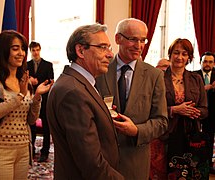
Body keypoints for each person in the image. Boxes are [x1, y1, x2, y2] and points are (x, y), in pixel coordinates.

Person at [46, 24, 124, 180]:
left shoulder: (80, 83)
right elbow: (91, 163)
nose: (110, 54)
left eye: (109, 47)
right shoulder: (74, 92)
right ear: (80, 51)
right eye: (103, 47)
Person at [95, 18, 168, 180]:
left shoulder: (154, 76)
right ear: (117, 39)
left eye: (143, 40)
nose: (139, 46)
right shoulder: (99, 70)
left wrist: (136, 131)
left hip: (135, 162)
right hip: (102, 160)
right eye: (133, 39)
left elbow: (161, 121)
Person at [0, 30, 53, 179]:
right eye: (15, 48)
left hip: (23, 150)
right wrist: (20, 96)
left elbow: (30, 120)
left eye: (23, 49)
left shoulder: (24, 80)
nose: (21, 53)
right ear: (3, 51)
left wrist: (37, 96)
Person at [164, 38, 208, 179]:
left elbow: (205, 109)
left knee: (189, 174)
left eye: (184, 54)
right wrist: (174, 110)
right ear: (170, 54)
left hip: (191, 135)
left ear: (189, 57)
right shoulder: (158, 77)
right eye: (176, 53)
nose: (180, 57)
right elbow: (151, 109)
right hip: (165, 135)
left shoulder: (196, 79)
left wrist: (194, 112)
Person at [27, 41, 54, 162]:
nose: (35, 52)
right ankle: (31, 149)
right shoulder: (26, 65)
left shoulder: (48, 65)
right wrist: (29, 80)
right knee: (31, 124)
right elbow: (22, 78)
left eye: (37, 50)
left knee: (46, 126)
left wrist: (37, 82)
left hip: (45, 98)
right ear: (30, 51)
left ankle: (45, 151)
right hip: (30, 98)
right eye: (33, 50)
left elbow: (50, 80)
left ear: (40, 50)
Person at [149, 58, 171, 180]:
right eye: (162, 66)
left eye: (167, 67)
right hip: (153, 133)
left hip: (171, 132)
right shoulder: (150, 81)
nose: (164, 69)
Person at [194, 51, 215, 173]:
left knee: (209, 138)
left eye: (210, 62)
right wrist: (207, 88)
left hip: (212, 114)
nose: (207, 64)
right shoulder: (194, 75)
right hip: (196, 112)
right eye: (205, 61)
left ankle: (207, 163)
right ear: (200, 62)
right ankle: (196, 161)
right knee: (195, 137)